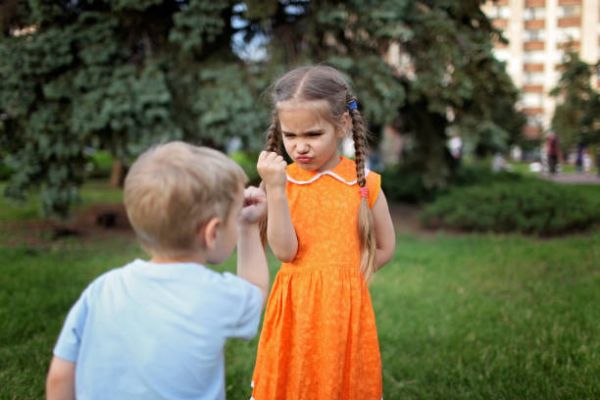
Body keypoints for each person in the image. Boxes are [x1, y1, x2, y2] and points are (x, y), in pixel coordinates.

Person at [46, 141, 269, 400]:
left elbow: (60, 375)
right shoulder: (214, 295)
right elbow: (255, 289)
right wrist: (249, 228)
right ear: (212, 233)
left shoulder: (103, 288)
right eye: (235, 218)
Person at [251, 65, 396, 399]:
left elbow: (386, 246)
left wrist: (350, 279)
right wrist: (274, 189)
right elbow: (286, 253)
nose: (300, 147)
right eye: (291, 136)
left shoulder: (364, 184)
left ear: (342, 125)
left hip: (345, 309)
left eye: (313, 135)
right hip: (295, 307)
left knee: (337, 382)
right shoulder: (281, 182)